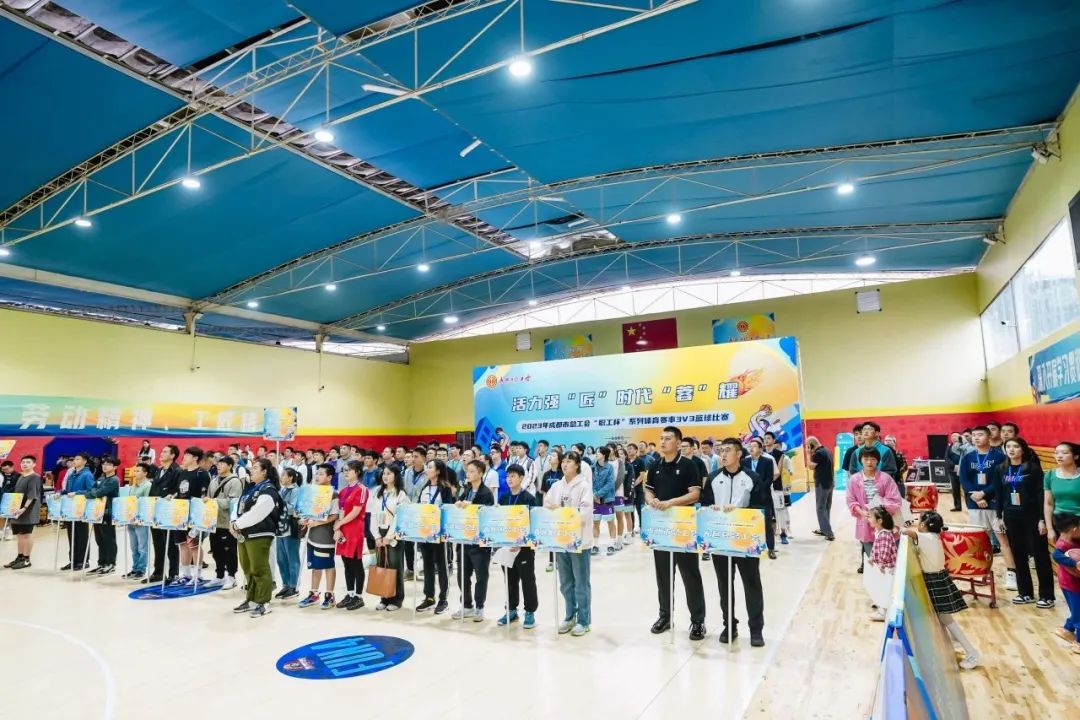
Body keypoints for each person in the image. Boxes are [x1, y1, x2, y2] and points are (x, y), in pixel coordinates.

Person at [702, 438, 768, 646]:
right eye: (721, 450)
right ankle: (729, 625)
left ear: (739, 454)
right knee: (724, 585)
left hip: (744, 539)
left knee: (752, 584)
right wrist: (711, 509)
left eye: (728, 450)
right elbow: (704, 505)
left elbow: (761, 506)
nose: (723, 454)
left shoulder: (751, 477)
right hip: (721, 541)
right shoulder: (713, 478)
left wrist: (740, 511)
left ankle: (756, 629)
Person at [643, 426, 706, 641]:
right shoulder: (655, 465)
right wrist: (651, 499)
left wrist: (671, 503)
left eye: (668, 438)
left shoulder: (689, 465)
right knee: (663, 575)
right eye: (661, 438)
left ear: (678, 443)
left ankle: (697, 621)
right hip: (661, 528)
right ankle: (665, 616)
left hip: (683, 528)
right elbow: (648, 489)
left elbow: (695, 494)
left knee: (690, 575)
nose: (663, 442)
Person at [902, 512, 981, 669]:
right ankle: (957, 643)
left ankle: (972, 652)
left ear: (923, 525)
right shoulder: (934, 536)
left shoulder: (925, 537)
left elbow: (906, 532)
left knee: (946, 619)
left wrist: (906, 525)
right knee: (944, 618)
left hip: (935, 580)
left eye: (919, 520)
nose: (916, 522)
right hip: (938, 578)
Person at [993, 437, 1053, 607]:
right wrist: (998, 516)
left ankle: (1047, 595)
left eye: (1016, 446)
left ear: (1023, 449)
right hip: (1011, 517)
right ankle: (1025, 592)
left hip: (1032, 517)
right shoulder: (1000, 469)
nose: (1011, 449)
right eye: (1008, 447)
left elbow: (1041, 495)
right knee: (1018, 555)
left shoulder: (1033, 468)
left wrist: (1041, 519)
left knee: (1040, 555)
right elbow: (999, 494)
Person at [544, 451, 593, 636]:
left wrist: (562, 511)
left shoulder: (584, 486)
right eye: (563, 461)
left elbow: (585, 513)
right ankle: (570, 616)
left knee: (581, 582)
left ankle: (584, 620)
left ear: (577, 465)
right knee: (565, 582)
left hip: (579, 540)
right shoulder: (556, 485)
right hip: (561, 539)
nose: (564, 464)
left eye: (569, 461)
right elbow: (547, 505)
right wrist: (556, 511)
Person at [230, 458, 282, 618]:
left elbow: (258, 512)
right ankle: (251, 599)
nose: (251, 470)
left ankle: (263, 602)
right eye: (251, 468)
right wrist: (233, 522)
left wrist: (237, 524)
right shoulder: (251, 488)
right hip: (244, 533)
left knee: (259, 568)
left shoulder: (268, 489)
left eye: (255, 468)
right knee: (247, 568)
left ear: (264, 471)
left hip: (260, 533)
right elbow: (238, 506)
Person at [846, 447, 902, 574]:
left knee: (889, 559)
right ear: (860, 460)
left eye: (873, 459)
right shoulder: (854, 480)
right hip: (866, 523)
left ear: (878, 461)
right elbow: (851, 500)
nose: (869, 462)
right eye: (866, 459)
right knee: (872, 558)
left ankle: (889, 581)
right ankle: (876, 581)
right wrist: (861, 511)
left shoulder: (886, 478)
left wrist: (879, 507)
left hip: (885, 524)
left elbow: (895, 500)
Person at [498, 464, 540, 628]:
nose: (509, 479)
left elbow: (533, 525)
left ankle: (530, 612)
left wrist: (522, 544)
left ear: (522, 478)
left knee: (527, 580)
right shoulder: (503, 498)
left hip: (524, 549)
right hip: (506, 547)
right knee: (509, 580)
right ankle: (511, 610)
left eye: (513, 476)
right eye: (508, 476)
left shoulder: (529, 499)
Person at [454, 459, 495, 621]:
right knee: (462, 576)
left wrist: (470, 506)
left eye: (472, 471)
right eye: (467, 471)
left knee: (481, 576)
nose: (468, 474)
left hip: (479, 543)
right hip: (464, 540)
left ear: (480, 473)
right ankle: (466, 605)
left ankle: (479, 606)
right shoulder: (466, 490)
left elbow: (487, 515)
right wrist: (458, 504)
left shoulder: (486, 493)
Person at [958, 426, 1007, 560]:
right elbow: (964, 479)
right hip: (975, 502)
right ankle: (981, 567)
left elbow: (1001, 479)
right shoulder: (968, 457)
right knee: (978, 539)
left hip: (995, 502)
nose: (976, 438)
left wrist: (984, 493)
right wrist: (976, 496)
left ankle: (1011, 569)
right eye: (974, 435)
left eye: (980, 435)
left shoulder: (1000, 457)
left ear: (989, 436)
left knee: (1003, 540)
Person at [298, 463, 340, 610]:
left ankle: (330, 595)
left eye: (322, 474)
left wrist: (317, 522)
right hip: (312, 536)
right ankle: (314, 594)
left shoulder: (333, 494)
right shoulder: (313, 492)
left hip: (325, 537)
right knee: (315, 566)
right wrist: (305, 519)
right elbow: (309, 510)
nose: (317, 476)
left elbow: (334, 515)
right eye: (317, 473)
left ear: (329, 477)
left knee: (328, 566)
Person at [416, 459, 454, 614]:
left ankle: (443, 599)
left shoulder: (445, 488)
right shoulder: (424, 488)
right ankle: (429, 597)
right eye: (427, 466)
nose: (427, 469)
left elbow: (448, 509)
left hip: (439, 534)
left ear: (438, 471)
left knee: (442, 565)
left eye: (430, 467)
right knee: (427, 565)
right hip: (426, 533)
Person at [371, 463, 410, 611]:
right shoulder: (378, 492)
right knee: (382, 565)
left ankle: (397, 599)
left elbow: (400, 517)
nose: (385, 476)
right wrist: (376, 536)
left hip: (393, 534)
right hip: (379, 532)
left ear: (396, 476)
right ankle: (384, 597)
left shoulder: (401, 494)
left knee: (394, 566)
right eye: (384, 474)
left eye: (389, 474)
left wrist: (389, 536)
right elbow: (373, 515)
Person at [333, 460, 370, 610]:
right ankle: (350, 594)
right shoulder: (343, 491)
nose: (346, 473)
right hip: (343, 529)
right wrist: (338, 527)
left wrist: (340, 523)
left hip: (354, 529)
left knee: (356, 563)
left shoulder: (362, 489)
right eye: (345, 470)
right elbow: (341, 511)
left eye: (349, 470)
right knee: (346, 562)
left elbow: (356, 511)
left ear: (358, 472)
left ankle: (359, 597)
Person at [172, 447, 211, 586]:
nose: (184, 457)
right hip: (180, 514)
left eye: (187, 455)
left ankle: (198, 575)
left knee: (194, 544)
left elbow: (204, 495)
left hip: (194, 514)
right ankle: (186, 574)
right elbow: (178, 491)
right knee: (182, 544)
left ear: (195, 458)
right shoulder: (181, 473)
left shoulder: (202, 474)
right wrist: (172, 497)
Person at [144, 444, 181, 584]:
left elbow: (178, 490)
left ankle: (173, 574)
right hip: (155, 511)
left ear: (172, 455)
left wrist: (172, 496)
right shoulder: (158, 470)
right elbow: (153, 489)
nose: (161, 453)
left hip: (168, 512)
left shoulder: (177, 471)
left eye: (165, 452)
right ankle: (158, 572)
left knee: (171, 544)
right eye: (162, 451)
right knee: (158, 543)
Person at [205, 456, 242, 588]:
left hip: (227, 523)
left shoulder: (235, 481)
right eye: (218, 464)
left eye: (222, 464)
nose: (219, 466)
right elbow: (209, 497)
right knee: (216, 551)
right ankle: (219, 576)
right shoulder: (213, 481)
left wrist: (213, 501)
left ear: (230, 466)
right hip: (214, 522)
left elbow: (233, 502)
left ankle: (231, 577)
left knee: (229, 551)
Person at [3, 456, 42, 570]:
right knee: (19, 535)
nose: (25, 464)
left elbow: (32, 495)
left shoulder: (34, 477)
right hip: (17, 510)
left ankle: (26, 559)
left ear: (34, 464)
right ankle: (20, 557)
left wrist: (24, 508)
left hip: (27, 511)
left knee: (26, 535)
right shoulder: (21, 476)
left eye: (28, 462)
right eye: (23, 462)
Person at [1050, 512, 1080, 653]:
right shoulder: (1063, 544)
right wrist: (1074, 563)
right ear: (1074, 529)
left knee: (1077, 610)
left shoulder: (1075, 538)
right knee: (1079, 613)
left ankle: (1067, 629)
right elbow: (1056, 555)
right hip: (1070, 585)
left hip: (1075, 583)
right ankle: (1078, 643)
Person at [744, 438, 779, 559]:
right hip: (749, 498)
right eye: (750, 446)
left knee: (767, 525)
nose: (751, 448)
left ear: (760, 449)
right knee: (750, 524)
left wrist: (758, 489)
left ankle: (771, 549)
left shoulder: (767, 461)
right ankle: (753, 547)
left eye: (754, 446)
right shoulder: (745, 461)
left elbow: (769, 479)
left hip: (764, 497)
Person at [59, 452, 94, 571]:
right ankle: (73, 560)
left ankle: (83, 561)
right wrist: (61, 493)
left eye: (78, 459)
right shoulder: (71, 474)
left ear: (84, 461)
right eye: (75, 459)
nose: (75, 461)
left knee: (81, 535)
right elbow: (67, 490)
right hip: (70, 508)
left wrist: (77, 493)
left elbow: (91, 491)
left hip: (81, 508)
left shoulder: (87, 474)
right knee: (72, 534)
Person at [85, 455, 120, 575]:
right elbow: (90, 491)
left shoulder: (114, 480)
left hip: (107, 513)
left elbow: (98, 492)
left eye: (108, 464)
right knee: (99, 539)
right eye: (103, 464)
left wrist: (94, 493)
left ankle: (111, 564)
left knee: (109, 539)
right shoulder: (101, 478)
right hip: (97, 512)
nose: (105, 466)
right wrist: (94, 493)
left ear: (114, 467)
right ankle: (102, 563)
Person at [273, 468, 302, 601]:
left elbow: (293, 508)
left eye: (284, 475)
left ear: (291, 477)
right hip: (280, 527)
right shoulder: (282, 490)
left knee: (292, 558)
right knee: (281, 559)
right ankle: (285, 585)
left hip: (291, 526)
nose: (281, 477)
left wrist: (279, 502)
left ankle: (293, 586)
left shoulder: (296, 490)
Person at [866, 507, 898, 621]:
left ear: (879, 521)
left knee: (885, 589)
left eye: (870, 517)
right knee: (880, 588)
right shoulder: (879, 532)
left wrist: (881, 564)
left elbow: (884, 552)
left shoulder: (884, 535)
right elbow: (876, 548)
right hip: (883, 567)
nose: (868, 519)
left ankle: (883, 612)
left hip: (887, 568)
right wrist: (872, 558)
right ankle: (880, 605)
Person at [1045, 441, 1080, 546]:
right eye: (1056, 453)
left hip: (1078, 522)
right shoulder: (1050, 475)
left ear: (1076, 456)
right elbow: (1048, 504)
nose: (1059, 456)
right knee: (1063, 554)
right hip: (1060, 523)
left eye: (1064, 453)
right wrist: (1050, 529)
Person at [122, 462, 153, 580]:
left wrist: (140, 518)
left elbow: (147, 503)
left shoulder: (148, 485)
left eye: (138, 471)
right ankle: (134, 568)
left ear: (145, 473)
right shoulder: (133, 486)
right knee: (133, 546)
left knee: (142, 547)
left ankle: (141, 569)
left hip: (141, 520)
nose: (135, 473)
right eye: (135, 470)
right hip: (131, 519)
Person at [591, 447, 620, 556]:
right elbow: (589, 482)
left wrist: (598, 494)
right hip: (594, 500)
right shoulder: (592, 467)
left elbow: (610, 484)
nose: (596, 454)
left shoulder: (610, 468)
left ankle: (611, 544)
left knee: (610, 522)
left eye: (598, 452)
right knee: (595, 522)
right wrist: (594, 495)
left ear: (604, 455)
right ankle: (595, 545)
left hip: (607, 499)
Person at [806, 437, 835, 540]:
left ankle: (829, 533)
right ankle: (824, 529)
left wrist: (808, 454)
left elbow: (810, 466)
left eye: (808, 446)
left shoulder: (818, 453)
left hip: (822, 484)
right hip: (829, 483)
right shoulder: (826, 450)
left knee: (820, 508)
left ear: (811, 445)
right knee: (826, 508)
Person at [541, 449, 564, 573]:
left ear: (559, 459)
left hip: (560, 508)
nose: (550, 457)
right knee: (551, 534)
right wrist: (544, 507)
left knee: (560, 534)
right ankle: (551, 560)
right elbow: (544, 492)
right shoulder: (546, 474)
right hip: (549, 508)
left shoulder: (563, 473)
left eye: (553, 455)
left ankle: (561, 561)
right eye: (550, 455)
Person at [946, 432, 965, 512]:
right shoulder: (949, 446)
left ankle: (970, 506)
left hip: (963, 470)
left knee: (966, 489)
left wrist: (960, 465)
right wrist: (954, 466)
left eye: (956, 436)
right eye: (952, 436)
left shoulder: (964, 446)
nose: (954, 437)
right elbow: (946, 458)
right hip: (953, 471)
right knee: (955, 489)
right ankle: (957, 506)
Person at [0, 459, 18, 541]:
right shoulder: (2, 475)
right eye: (3, 469)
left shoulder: (18, 476)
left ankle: (9, 533)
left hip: (13, 498)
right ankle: (1, 532)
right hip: (2, 497)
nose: (5, 471)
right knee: (1, 516)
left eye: (6, 469)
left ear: (12, 467)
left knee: (10, 517)